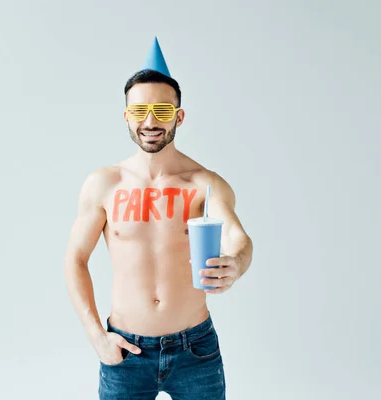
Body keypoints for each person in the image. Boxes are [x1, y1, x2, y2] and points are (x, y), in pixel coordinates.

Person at [63, 37, 253, 400]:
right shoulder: (103, 184)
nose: (150, 121)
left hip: (195, 350)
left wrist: (236, 263)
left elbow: (238, 237)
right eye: (139, 111)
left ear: (179, 116)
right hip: (125, 352)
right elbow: (75, 259)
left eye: (163, 111)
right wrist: (95, 335)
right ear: (127, 116)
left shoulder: (204, 184)